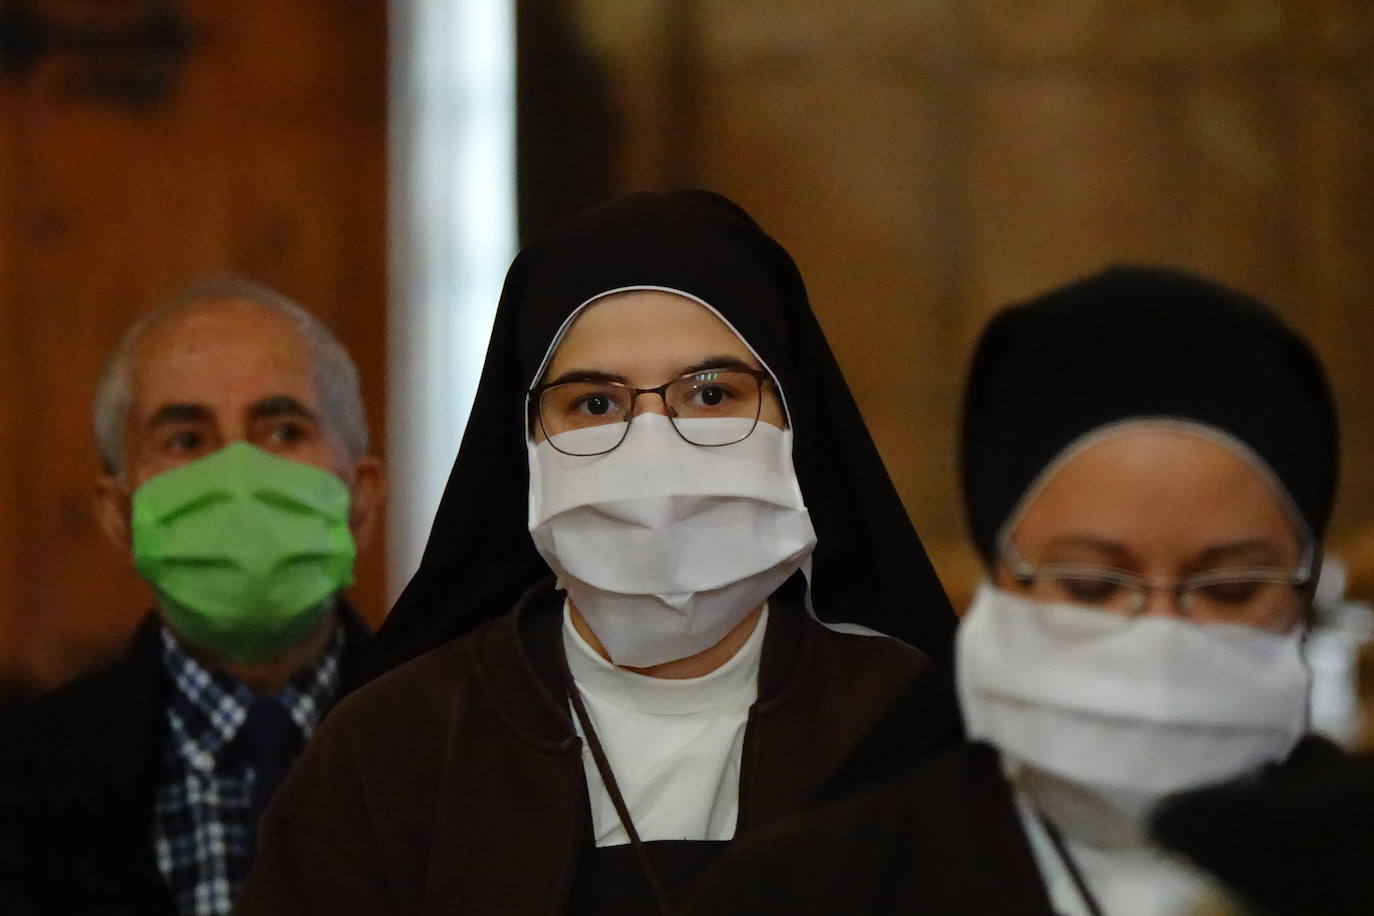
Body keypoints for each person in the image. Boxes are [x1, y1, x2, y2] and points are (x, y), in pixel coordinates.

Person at [236, 190, 960, 915]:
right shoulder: (393, 751)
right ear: (527, 445)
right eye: (595, 404)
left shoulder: (912, 738)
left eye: (711, 395)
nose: (653, 447)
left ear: (795, 424)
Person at [683, 264, 1340, 915]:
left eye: (1229, 589)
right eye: (1089, 586)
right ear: (998, 573)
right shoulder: (804, 893)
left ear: (1305, 592)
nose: (1160, 636)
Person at [0, 276, 385, 916]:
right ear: (119, 514)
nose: (237, 477)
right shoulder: (17, 780)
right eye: (186, 441)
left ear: (362, 497)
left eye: (284, 432)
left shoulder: (481, 761)